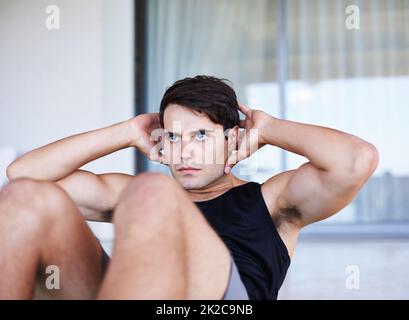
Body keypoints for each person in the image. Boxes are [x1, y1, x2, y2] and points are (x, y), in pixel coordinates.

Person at [0, 76, 378, 299]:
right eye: (174, 137)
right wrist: (126, 132)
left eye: (200, 134)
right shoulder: (134, 195)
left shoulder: (271, 201)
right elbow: (23, 175)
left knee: (153, 192)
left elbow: (355, 160)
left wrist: (268, 127)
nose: (186, 151)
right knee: (26, 200)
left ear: (233, 140)